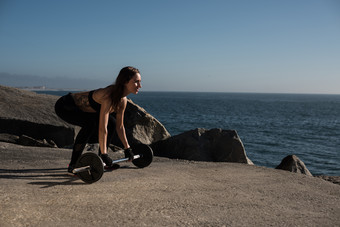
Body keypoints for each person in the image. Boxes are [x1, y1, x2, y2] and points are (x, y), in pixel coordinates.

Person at [54, 66, 142, 175]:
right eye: (136, 82)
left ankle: (101, 161)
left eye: (140, 82)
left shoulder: (123, 100)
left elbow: (120, 126)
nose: (140, 86)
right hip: (65, 106)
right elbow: (102, 128)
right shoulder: (108, 96)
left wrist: (127, 148)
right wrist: (106, 154)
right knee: (90, 125)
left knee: (112, 123)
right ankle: (73, 165)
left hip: (84, 110)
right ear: (125, 81)